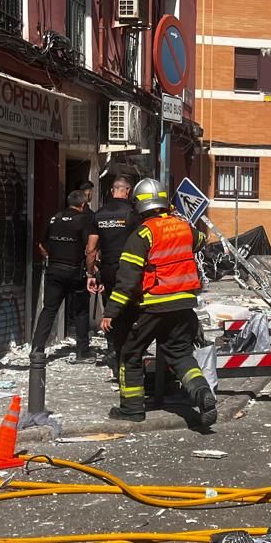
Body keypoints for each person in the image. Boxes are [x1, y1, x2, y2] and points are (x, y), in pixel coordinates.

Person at [100, 178, 216, 426]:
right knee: (181, 355)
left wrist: (111, 312)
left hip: (153, 306)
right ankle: (202, 393)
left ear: (139, 205)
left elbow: (127, 280)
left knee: (130, 354)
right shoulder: (185, 228)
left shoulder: (142, 234)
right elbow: (200, 241)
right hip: (184, 306)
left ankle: (132, 409)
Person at [32, 189, 98, 363]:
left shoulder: (55, 218)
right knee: (81, 311)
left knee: (49, 309)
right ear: (83, 204)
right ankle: (82, 351)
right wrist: (90, 272)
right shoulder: (85, 220)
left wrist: (50, 257)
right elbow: (91, 250)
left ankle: (37, 349)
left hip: (54, 270)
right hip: (75, 271)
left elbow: (41, 244)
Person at [90, 173, 138, 373]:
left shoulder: (98, 214)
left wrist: (91, 273)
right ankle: (127, 352)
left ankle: (112, 348)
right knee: (129, 310)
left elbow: (91, 249)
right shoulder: (133, 213)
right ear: (128, 191)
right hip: (129, 269)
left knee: (110, 310)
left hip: (107, 270)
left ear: (112, 191)